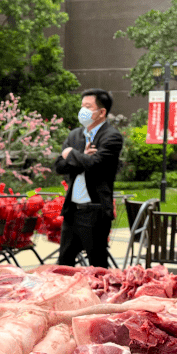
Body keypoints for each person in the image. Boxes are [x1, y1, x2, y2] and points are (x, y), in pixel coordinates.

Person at [53, 88, 124, 268]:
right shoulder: (75, 135)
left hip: (95, 210)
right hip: (72, 210)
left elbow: (97, 165)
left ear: (102, 112)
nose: (82, 110)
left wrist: (71, 154)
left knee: (97, 265)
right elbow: (59, 166)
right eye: (82, 106)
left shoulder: (112, 136)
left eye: (88, 106)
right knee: (63, 264)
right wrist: (81, 156)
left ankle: (100, 295)